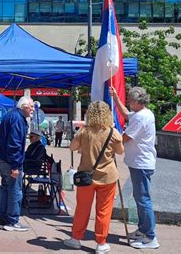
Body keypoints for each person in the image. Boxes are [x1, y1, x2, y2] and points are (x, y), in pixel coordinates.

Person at [63, 101, 124, 253]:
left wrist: (85, 148)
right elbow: (120, 151)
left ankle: (76, 239)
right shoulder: (113, 132)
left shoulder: (84, 131)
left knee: (82, 209)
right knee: (103, 211)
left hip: (86, 177)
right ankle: (101, 243)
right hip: (107, 177)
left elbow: (72, 147)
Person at [110, 86, 159, 249]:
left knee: (143, 199)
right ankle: (144, 230)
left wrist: (110, 136)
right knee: (140, 197)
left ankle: (150, 236)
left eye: (130, 100)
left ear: (138, 101)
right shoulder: (144, 113)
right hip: (140, 162)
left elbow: (125, 137)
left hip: (141, 163)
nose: (129, 102)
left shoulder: (140, 118)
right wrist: (116, 98)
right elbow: (125, 114)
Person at [0, 96, 34, 232]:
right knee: (15, 191)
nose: (33, 110)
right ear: (24, 107)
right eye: (31, 106)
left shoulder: (11, 115)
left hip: (4, 160)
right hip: (11, 161)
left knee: (6, 189)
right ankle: (12, 221)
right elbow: (15, 144)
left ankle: (3, 219)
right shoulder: (17, 119)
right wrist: (15, 166)